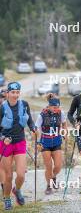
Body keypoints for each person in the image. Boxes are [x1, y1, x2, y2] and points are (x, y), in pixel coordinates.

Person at [0, 82, 36, 210]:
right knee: (8, 176)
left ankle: (17, 190)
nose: (15, 95)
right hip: (6, 144)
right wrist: (3, 138)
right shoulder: (2, 108)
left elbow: (30, 120)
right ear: (7, 93)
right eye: (13, 92)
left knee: (21, 174)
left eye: (17, 92)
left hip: (20, 141)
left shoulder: (24, 105)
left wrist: (33, 128)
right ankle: (7, 198)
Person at [35, 93, 68, 195]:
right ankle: (49, 186)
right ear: (49, 106)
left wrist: (65, 132)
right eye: (54, 107)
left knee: (58, 165)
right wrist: (38, 141)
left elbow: (64, 123)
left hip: (57, 140)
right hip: (45, 141)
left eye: (57, 107)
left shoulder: (60, 113)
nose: (56, 109)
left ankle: (53, 177)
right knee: (48, 166)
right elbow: (36, 128)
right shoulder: (42, 114)